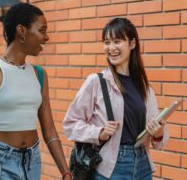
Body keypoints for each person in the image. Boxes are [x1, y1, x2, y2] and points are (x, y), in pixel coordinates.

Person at [0, 3, 72, 180]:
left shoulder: (39, 75)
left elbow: (50, 131)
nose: (47, 37)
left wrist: (65, 172)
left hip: (32, 162)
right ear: (21, 30)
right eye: (42, 30)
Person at [63, 18, 169, 179]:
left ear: (132, 44)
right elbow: (70, 124)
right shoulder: (97, 81)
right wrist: (99, 132)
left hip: (142, 165)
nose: (111, 48)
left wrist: (159, 132)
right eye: (107, 42)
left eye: (117, 41)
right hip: (112, 167)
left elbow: (159, 141)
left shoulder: (145, 88)